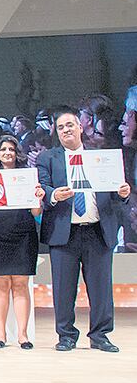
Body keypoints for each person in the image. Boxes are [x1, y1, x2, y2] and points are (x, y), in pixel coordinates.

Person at [37, 106, 131, 352]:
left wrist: (122, 194)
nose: (66, 130)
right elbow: (42, 187)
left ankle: (100, 335)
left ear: (80, 127)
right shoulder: (48, 158)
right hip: (64, 232)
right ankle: (66, 336)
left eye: (70, 125)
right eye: (60, 127)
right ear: (56, 133)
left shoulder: (102, 156)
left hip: (97, 231)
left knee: (101, 288)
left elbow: (115, 191)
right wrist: (54, 194)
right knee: (63, 289)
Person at [0, 135, 44, 349]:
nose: (7, 152)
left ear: (17, 153)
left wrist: (38, 196)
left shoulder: (28, 177)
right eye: (3, 149)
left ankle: (23, 336)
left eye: (11, 149)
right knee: (0, 285)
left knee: (21, 284)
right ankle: (1, 335)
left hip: (22, 233)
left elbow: (36, 211)